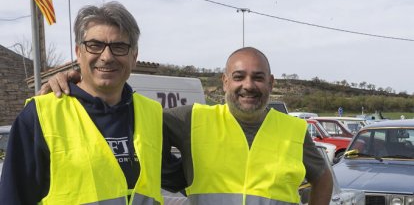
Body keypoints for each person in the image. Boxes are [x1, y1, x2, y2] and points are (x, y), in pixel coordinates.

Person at [36, 47, 333, 204]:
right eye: (239, 76)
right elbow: (125, 112)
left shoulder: (293, 130)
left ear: (271, 83)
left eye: (258, 77)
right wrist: (82, 84)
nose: (248, 86)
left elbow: (322, 179)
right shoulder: (193, 119)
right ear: (225, 81)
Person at [0, 2, 164, 204]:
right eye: (95, 45)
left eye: (119, 47)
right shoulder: (40, 115)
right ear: (79, 52)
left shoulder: (153, 114)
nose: (107, 57)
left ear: (134, 57)